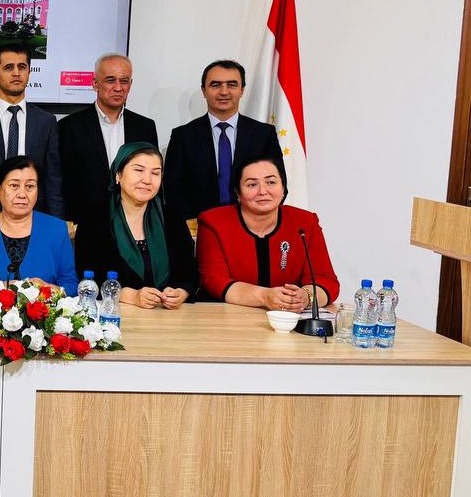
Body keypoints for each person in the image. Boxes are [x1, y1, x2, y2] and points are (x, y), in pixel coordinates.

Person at [196, 154, 340, 310]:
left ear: (283, 188)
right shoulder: (214, 222)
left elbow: (326, 281)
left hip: (288, 319)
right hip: (227, 316)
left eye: (271, 182)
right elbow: (214, 281)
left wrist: (305, 297)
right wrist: (265, 296)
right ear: (238, 192)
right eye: (252, 184)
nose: (262, 191)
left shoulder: (305, 222)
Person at [73, 143, 197, 309]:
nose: (147, 180)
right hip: (115, 313)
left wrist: (181, 292)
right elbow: (88, 275)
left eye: (155, 173)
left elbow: (189, 271)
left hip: (168, 314)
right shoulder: (94, 218)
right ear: (118, 174)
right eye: (139, 170)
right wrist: (131, 296)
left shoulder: (172, 217)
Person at [164, 60, 282, 220]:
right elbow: (172, 189)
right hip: (199, 226)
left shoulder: (264, 134)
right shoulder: (182, 136)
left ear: (242, 90)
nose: (224, 91)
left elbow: (278, 183)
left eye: (232, 85)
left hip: (252, 225)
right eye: (215, 85)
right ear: (204, 91)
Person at [0, 43, 64, 219]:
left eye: (22, 67)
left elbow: (52, 179)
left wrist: (57, 222)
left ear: (29, 73)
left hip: (35, 217)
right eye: (9, 67)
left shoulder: (46, 122)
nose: (17, 73)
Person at [58, 53, 159, 223]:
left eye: (124, 81)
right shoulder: (69, 127)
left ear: (131, 84)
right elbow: (62, 181)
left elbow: (152, 176)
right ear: (95, 84)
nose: (118, 88)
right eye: (110, 80)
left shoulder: (145, 127)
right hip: (84, 222)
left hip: (134, 222)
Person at [0, 157, 79, 295]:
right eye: (14, 185)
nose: (22, 194)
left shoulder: (57, 229)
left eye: (30, 186)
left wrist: (47, 289)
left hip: (46, 309)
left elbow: (71, 286)